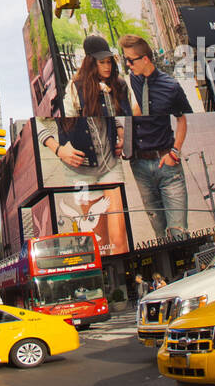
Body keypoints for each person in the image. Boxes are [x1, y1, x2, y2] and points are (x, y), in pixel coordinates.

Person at [120, 33, 192, 244]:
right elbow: (140, 107)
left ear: (145, 59)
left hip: (167, 166)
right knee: (159, 235)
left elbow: (182, 121)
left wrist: (175, 152)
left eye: (130, 60)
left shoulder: (171, 87)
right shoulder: (134, 77)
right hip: (140, 166)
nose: (127, 64)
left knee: (178, 232)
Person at [38, 35, 138, 180]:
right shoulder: (77, 87)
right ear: (91, 63)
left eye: (109, 62)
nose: (107, 67)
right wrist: (59, 149)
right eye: (102, 62)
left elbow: (124, 116)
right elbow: (60, 120)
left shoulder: (120, 85)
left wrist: (123, 135)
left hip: (110, 161)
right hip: (80, 165)